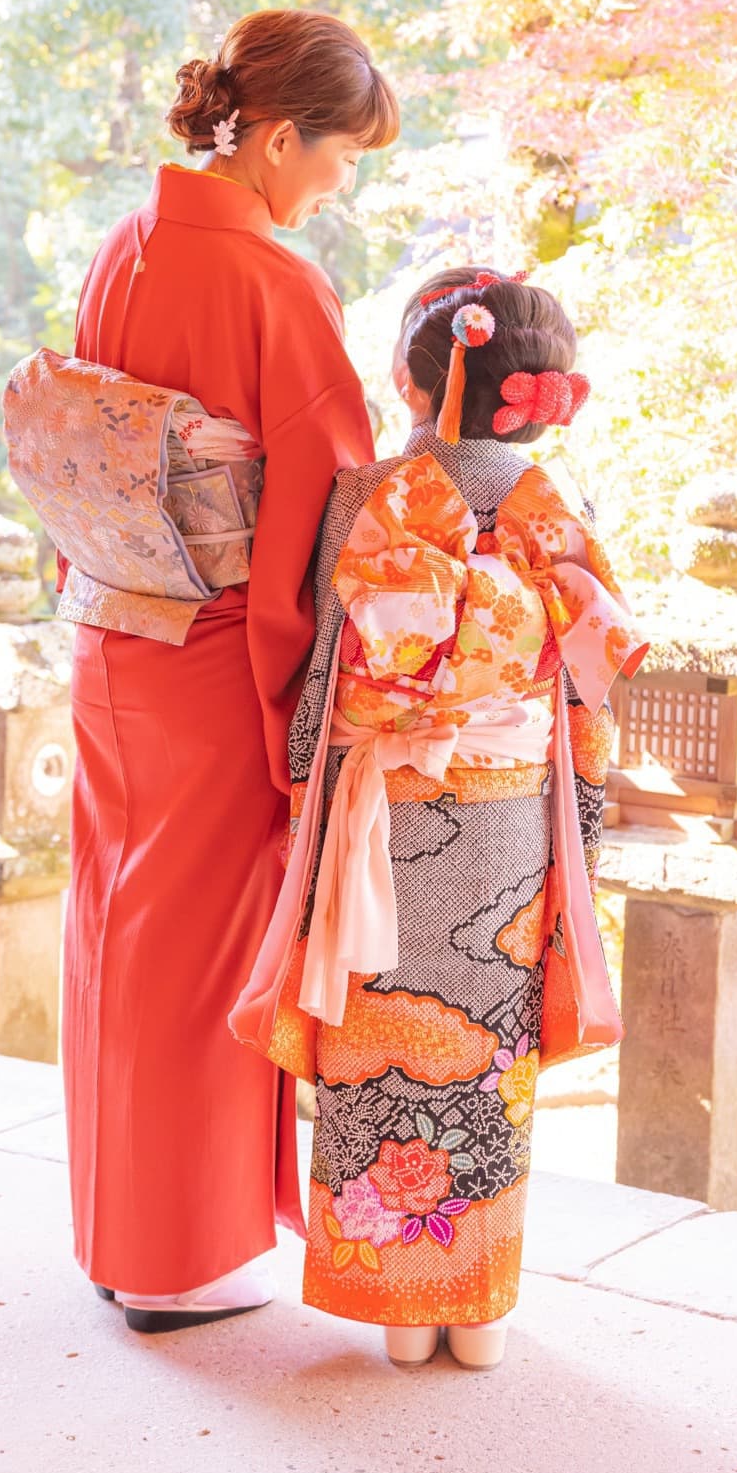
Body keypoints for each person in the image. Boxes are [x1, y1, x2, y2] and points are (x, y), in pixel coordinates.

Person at [232, 266, 647, 1370]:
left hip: (384, 815)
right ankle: (480, 1306)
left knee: (380, 1043)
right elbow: (585, 695)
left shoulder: (366, 494)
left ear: (416, 382)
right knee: (489, 1058)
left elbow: (328, 670)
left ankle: (399, 1312)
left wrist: (303, 792)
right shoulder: (558, 506)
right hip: (509, 825)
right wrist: (580, 827)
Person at [59, 10, 399, 1332]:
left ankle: (115, 1233)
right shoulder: (272, 282)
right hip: (209, 659)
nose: (339, 184)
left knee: (116, 926)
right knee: (193, 952)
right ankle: (173, 1258)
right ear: (275, 137)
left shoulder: (127, 242)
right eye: (339, 158)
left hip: (113, 637)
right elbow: (331, 504)